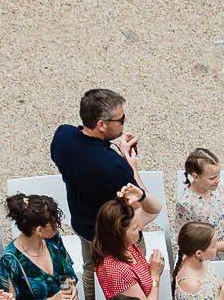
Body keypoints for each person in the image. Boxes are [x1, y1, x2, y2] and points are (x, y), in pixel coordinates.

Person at [50, 88, 156, 244]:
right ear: (101, 125)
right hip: (115, 239)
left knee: (89, 267)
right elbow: (144, 203)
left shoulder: (62, 135)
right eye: (121, 119)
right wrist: (131, 166)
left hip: (83, 229)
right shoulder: (114, 166)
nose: (124, 121)